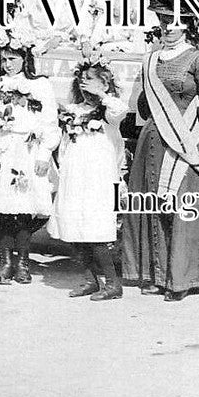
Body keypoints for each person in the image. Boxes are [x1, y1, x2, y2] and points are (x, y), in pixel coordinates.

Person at [121, 8, 199, 300]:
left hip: (187, 137)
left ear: (186, 25)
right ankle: (154, 274)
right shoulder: (150, 59)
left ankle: (181, 278)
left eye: (174, 22)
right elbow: (143, 102)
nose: (168, 28)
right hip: (153, 138)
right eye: (163, 22)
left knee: (182, 202)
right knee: (151, 201)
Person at [0, 42, 60, 285]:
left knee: (22, 209)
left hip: (26, 151)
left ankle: (23, 263)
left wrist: (44, 154)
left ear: (25, 59)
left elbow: (50, 123)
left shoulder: (38, 85)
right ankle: (6, 263)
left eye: (12, 59)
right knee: (5, 208)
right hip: (2, 150)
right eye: (4, 59)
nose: (7, 64)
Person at [48, 58, 129, 300]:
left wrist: (102, 95)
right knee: (74, 226)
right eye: (82, 81)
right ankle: (91, 279)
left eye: (90, 80)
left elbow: (119, 111)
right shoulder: (76, 111)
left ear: (104, 83)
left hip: (98, 175)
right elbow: (64, 144)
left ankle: (113, 284)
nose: (84, 85)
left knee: (96, 229)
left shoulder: (109, 110)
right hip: (75, 174)